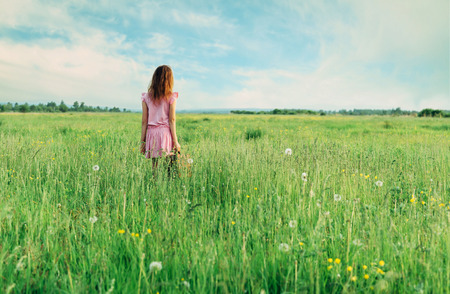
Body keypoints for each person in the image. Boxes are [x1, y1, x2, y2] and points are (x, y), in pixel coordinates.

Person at [140, 65, 181, 169]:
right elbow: (172, 120)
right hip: (165, 133)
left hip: (151, 133)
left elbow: (144, 121)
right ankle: (169, 183)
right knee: (170, 165)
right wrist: (176, 141)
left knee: (155, 166)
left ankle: (154, 183)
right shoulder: (171, 97)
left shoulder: (146, 97)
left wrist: (142, 142)